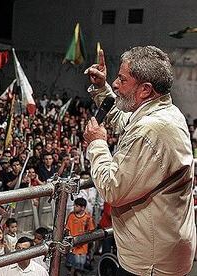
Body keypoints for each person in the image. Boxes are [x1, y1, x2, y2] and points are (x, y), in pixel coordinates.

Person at [83, 46, 196, 275]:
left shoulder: (151, 129)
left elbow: (112, 189)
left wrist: (97, 143)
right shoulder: (163, 112)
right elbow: (124, 119)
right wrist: (101, 88)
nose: (115, 83)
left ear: (145, 90)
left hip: (150, 263)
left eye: (122, 80)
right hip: (161, 251)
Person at [65, 198, 95, 275]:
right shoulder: (71, 216)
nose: (74, 207)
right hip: (72, 245)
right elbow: (67, 229)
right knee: (70, 265)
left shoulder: (88, 218)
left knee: (79, 267)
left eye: (76, 205)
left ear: (83, 207)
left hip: (83, 247)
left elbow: (91, 231)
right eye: (74, 205)